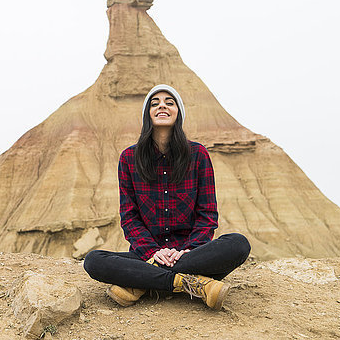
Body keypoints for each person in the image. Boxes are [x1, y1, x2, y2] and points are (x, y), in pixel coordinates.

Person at [84, 84, 251, 310]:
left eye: (169, 103)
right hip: (148, 254)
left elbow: (207, 214)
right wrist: (154, 253)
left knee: (238, 244)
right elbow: (129, 217)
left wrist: (189, 251)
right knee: (94, 260)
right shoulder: (129, 158)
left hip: (192, 254)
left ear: (178, 113)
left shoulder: (198, 155)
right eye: (155, 103)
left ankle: (142, 283)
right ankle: (189, 282)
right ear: (147, 114)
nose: (162, 106)